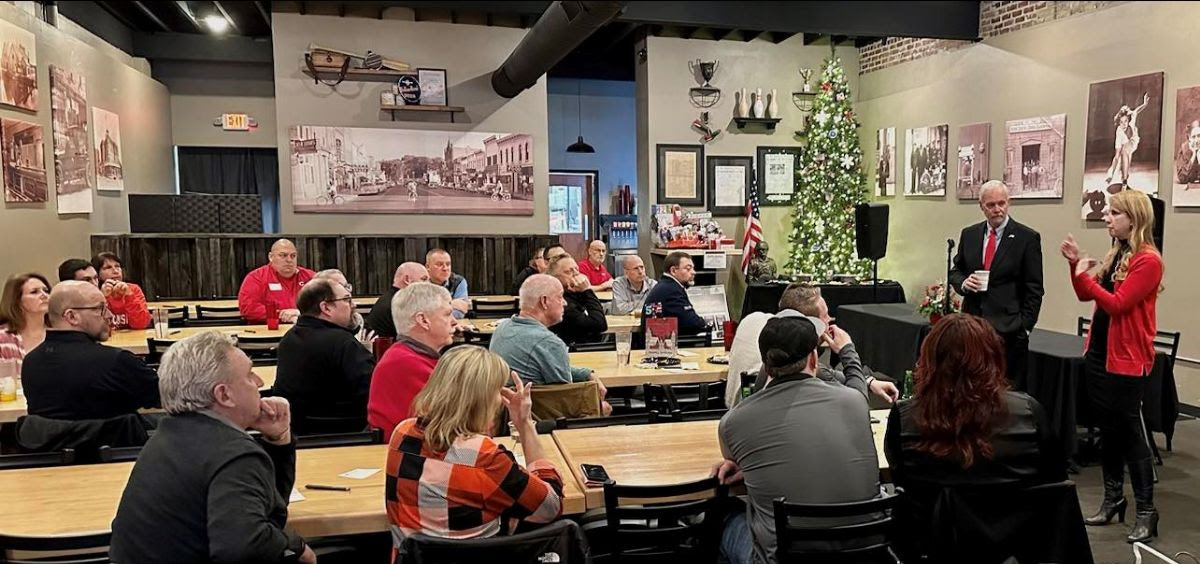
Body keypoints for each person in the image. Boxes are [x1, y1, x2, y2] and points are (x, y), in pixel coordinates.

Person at [110, 332, 315, 564]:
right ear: (224, 395)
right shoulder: (234, 453)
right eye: (249, 374)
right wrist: (296, 547)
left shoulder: (166, 437)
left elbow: (266, 512)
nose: (259, 382)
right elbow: (245, 549)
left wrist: (278, 439)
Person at [883, 314, 1066, 558]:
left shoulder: (906, 418)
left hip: (933, 547)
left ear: (929, 359)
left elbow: (901, 480)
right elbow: (1053, 482)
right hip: (1012, 550)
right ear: (992, 357)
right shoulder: (1029, 413)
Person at [715, 316, 882, 564]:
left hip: (785, 555)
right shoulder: (855, 402)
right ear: (814, 359)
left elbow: (737, 460)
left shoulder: (733, 423)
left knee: (723, 516)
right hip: (865, 552)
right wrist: (847, 351)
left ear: (766, 365)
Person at [1060, 189, 1164, 543]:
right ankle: (1113, 499)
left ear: (1133, 218)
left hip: (1126, 359)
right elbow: (1085, 294)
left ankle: (1147, 512)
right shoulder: (1118, 252)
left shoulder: (1148, 260)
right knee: (1108, 432)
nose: (1106, 217)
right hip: (1100, 355)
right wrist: (1076, 266)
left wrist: (1086, 276)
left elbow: (1118, 304)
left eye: (1114, 213)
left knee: (1130, 434)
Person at [385, 345, 563, 549]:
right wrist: (524, 424)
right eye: (497, 391)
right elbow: (550, 506)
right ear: (482, 400)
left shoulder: (401, 433)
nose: (500, 398)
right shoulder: (484, 456)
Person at [726, 283, 898, 408]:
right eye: (825, 315)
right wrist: (847, 349)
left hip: (733, 410)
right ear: (809, 324)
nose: (830, 320)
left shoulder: (753, 318)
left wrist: (868, 381)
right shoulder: (802, 364)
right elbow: (858, 403)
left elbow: (827, 372)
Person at [948, 180, 1044, 383]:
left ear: (1009, 203)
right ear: (981, 207)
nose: (997, 209)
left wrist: (1024, 327)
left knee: (1005, 390)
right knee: (970, 384)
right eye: (991, 205)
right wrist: (964, 283)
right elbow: (956, 270)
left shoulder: (1026, 238)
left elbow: (1034, 288)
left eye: (1001, 203)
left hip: (1008, 330)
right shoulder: (970, 234)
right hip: (972, 325)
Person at [21, 281, 160, 420]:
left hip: (50, 441)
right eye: (101, 309)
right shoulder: (115, 362)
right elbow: (168, 395)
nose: (110, 315)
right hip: (116, 441)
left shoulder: (30, 363)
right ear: (72, 317)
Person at [490, 274, 611, 414]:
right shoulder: (549, 342)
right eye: (560, 297)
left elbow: (550, 367)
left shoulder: (502, 329)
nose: (565, 303)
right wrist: (599, 406)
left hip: (504, 413)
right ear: (544, 301)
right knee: (604, 408)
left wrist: (587, 374)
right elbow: (566, 403)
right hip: (538, 420)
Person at [274, 279, 375, 435]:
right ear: (326, 307)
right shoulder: (343, 343)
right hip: (345, 433)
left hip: (296, 431)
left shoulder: (289, 338)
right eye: (347, 300)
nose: (353, 305)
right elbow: (372, 391)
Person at [367, 283, 457, 433]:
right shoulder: (405, 365)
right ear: (423, 320)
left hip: (421, 451)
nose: (454, 321)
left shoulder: (408, 356)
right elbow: (449, 430)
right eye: (447, 314)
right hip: (414, 453)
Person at [237, 239, 316, 324]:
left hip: (306, 328)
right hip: (268, 330)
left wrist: (298, 313)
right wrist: (282, 315)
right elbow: (249, 309)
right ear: (271, 257)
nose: (289, 260)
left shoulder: (311, 277)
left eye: (293, 256)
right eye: (283, 255)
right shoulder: (256, 277)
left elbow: (326, 304)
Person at [640, 251, 708, 336]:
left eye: (693, 268)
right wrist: (704, 323)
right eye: (688, 268)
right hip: (663, 346)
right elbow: (693, 323)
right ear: (673, 270)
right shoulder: (672, 291)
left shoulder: (665, 286)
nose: (693, 272)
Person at [546, 254, 607, 346]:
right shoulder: (561, 303)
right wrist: (587, 290)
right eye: (569, 271)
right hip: (573, 351)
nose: (576, 274)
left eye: (577, 269)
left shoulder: (574, 294)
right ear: (555, 278)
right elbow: (599, 324)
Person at [365, 262, 430, 339]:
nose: (428, 285)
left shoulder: (390, 299)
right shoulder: (400, 304)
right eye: (424, 279)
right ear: (407, 279)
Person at [0, 273, 50, 369]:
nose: (44, 295)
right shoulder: (2, 338)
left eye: (46, 291)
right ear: (17, 301)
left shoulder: (60, 332)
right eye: (34, 292)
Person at [91, 252, 152, 331]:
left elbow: (142, 324)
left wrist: (129, 296)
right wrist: (102, 298)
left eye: (117, 266)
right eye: (108, 267)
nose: (116, 271)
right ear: (97, 274)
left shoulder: (133, 289)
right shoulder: (94, 292)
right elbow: (95, 328)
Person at [1106, 93, 1151, 186]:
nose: (1124, 124)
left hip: (1133, 141)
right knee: (1121, 156)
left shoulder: (1131, 120)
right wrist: (1112, 173)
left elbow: (1137, 110)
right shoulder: (1119, 132)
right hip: (1124, 144)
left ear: (1128, 120)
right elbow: (1116, 156)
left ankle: (1124, 178)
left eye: (1125, 121)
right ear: (1119, 123)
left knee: (1125, 152)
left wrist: (1145, 104)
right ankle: (1121, 178)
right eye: (1121, 122)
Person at [311, 268, 365, 334]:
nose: (347, 292)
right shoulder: (313, 329)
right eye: (340, 287)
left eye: (347, 286)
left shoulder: (356, 319)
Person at [426, 248, 470, 319]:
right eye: (439, 264)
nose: (445, 268)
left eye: (448, 264)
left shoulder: (458, 281)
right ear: (428, 267)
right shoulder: (420, 281)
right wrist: (450, 304)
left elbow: (460, 312)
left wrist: (432, 311)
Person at [1175, 120, 1200, 185]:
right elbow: (1182, 178)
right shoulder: (1184, 148)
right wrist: (1194, 155)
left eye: (1199, 136)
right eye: (1194, 137)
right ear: (1189, 138)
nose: (1197, 140)